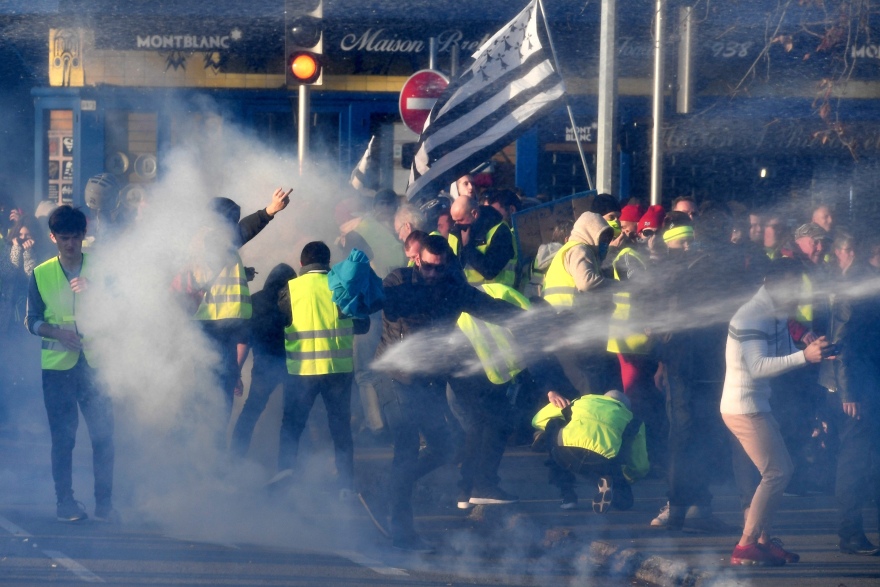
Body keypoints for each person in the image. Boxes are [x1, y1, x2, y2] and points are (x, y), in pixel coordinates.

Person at [374, 234, 524, 553]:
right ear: (418, 259)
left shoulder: (452, 286)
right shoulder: (398, 280)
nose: (433, 274)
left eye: (439, 269)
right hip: (396, 378)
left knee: (445, 445)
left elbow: (487, 306)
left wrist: (523, 319)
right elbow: (376, 300)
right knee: (407, 449)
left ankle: (394, 488)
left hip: (428, 382)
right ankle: (401, 528)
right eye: (428, 267)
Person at [722, 257, 831, 566]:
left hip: (756, 404)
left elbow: (781, 354)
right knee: (778, 472)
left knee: (780, 471)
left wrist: (816, 351)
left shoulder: (775, 313)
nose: (800, 295)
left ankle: (762, 542)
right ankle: (746, 545)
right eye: (796, 287)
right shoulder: (752, 316)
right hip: (743, 407)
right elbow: (757, 367)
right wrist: (804, 358)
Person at [24, 206, 117, 522]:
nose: (70, 244)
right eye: (64, 238)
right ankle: (65, 503)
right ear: (53, 238)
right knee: (63, 439)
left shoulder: (103, 270)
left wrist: (96, 294)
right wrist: (56, 332)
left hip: (96, 366)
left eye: (76, 237)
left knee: (104, 436)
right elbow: (32, 321)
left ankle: (104, 505)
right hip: (58, 370)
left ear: (84, 235)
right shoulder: (40, 273)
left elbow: (124, 310)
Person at [275, 242, 369, 494]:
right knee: (340, 428)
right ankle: (345, 485)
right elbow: (362, 325)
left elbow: (280, 323)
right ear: (329, 262)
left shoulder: (290, 289)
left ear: (301, 263)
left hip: (301, 372)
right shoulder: (341, 286)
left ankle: (285, 478)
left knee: (292, 426)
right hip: (337, 370)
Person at [190, 190, 290, 425]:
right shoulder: (211, 237)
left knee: (221, 388)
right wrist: (268, 212)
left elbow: (210, 272)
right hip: (214, 323)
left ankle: (211, 447)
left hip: (223, 324)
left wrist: (242, 274)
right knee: (216, 391)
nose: (233, 224)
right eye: (232, 219)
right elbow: (239, 234)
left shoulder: (213, 242)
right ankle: (207, 447)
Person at [819, 232, 880, 555]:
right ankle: (850, 534)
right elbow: (844, 344)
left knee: (865, 457)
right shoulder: (857, 285)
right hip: (853, 387)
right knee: (854, 459)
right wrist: (849, 393)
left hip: (863, 383)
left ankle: (854, 532)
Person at [532, 390, 649, 512]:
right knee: (625, 502)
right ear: (625, 407)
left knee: (553, 425)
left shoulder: (581, 402)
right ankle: (610, 484)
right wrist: (626, 477)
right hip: (601, 463)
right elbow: (640, 466)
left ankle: (568, 495)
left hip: (567, 455)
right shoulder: (633, 421)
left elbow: (536, 420)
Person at [542, 211, 616, 395]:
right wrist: (618, 287)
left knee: (575, 381)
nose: (605, 244)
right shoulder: (580, 249)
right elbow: (586, 282)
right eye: (602, 238)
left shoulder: (566, 251)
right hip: (570, 324)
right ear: (590, 233)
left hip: (558, 324)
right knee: (587, 384)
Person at [229, 263, 297, 458]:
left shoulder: (255, 300)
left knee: (251, 411)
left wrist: (237, 372)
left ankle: (234, 459)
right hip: (294, 364)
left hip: (264, 365)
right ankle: (290, 466)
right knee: (293, 416)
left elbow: (243, 340)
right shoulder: (296, 300)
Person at [448, 196, 516, 287]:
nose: (456, 224)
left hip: (497, 296)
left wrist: (468, 247)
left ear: (474, 214)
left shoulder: (499, 231)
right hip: (465, 296)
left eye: (460, 220)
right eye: (454, 221)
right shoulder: (455, 232)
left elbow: (490, 271)